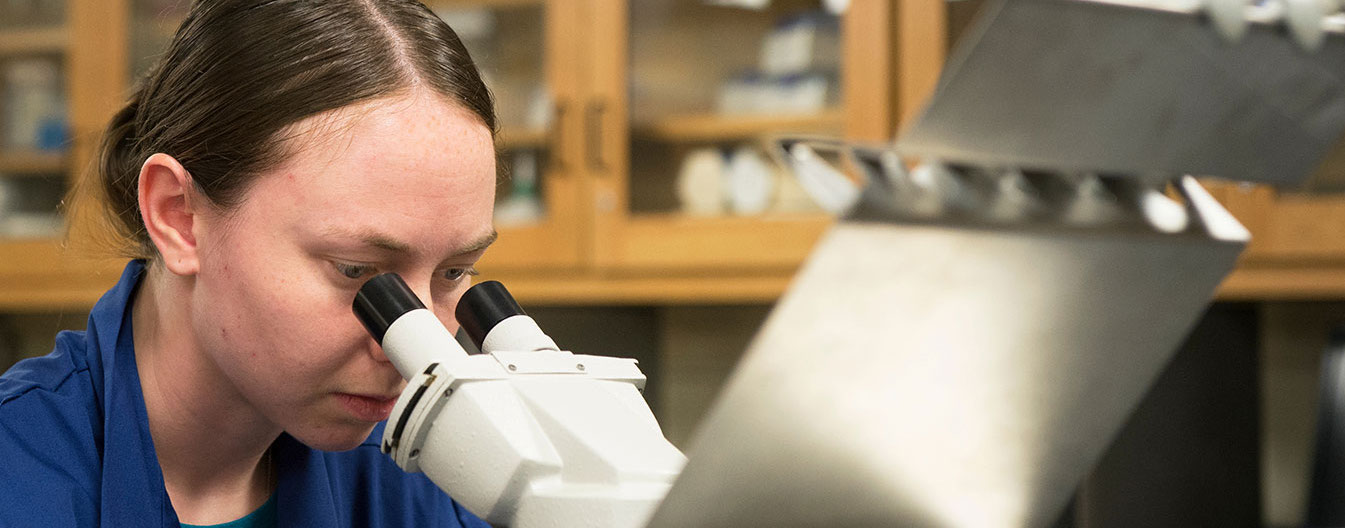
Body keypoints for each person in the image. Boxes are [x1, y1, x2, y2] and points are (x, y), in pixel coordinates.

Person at [0, 1, 499, 526]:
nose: (419, 353)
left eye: (453, 272)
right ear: (178, 216)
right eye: (355, 269)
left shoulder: (427, 482)